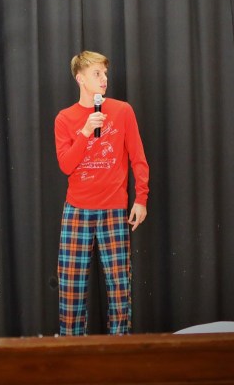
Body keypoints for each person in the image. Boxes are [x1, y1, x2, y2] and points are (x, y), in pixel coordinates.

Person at [54, 51, 149, 335]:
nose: (104, 79)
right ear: (80, 78)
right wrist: (85, 131)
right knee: (71, 288)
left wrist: (141, 198)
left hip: (113, 209)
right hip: (77, 210)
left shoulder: (122, 111)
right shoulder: (65, 118)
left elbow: (138, 158)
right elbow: (66, 166)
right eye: (97, 74)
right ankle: (73, 350)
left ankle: (119, 350)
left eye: (105, 73)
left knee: (120, 288)